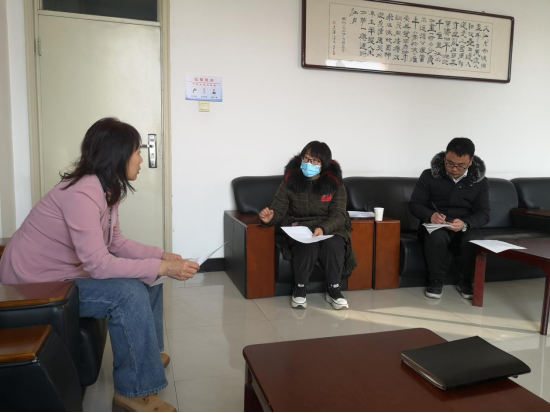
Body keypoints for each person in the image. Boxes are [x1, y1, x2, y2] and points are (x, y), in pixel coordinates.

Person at [0, 118, 198, 413]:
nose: (141, 159)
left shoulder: (108, 189)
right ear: (118, 154)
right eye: (137, 152)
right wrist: (160, 267)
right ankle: (134, 393)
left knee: (151, 277)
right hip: (33, 282)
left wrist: (162, 256)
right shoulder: (82, 192)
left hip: (64, 273)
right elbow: (99, 265)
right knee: (129, 292)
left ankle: (147, 358)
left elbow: (116, 242)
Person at [259, 142, 357, 310]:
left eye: (315, 161)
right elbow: (279, 210)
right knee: (307, 245)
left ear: (324, 164)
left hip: (330, 228)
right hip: (300, 227)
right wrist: (269, 218)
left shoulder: (335, 184)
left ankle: (333, 289)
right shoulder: (289, 182)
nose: (308, 163)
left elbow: (339, 214)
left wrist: (323, 228)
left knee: (334, 244)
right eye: (306, 158)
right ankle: (300, 288)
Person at [409, 138, 490, 300]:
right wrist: (430, 215)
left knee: (474, 238)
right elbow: (415, 204)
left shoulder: (480, 182)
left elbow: (484, 213)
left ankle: (466, 280)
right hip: (434, 226)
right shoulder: (429, 175)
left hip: (463, 227)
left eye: (461, 166)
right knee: (437, 235)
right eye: (449, 163)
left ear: (470, 161)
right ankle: (436, 280)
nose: (454, 169)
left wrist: (465, 223)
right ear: (445, 157)